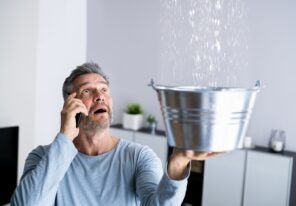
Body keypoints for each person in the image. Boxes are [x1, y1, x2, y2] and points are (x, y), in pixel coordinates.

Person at [11, 62, 220, 206]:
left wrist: (178, 161)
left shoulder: (139, 157)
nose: (100, 96)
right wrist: (65, 137)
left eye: (104, 90)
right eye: (87, 91)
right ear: (69, 104)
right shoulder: (42, 158)